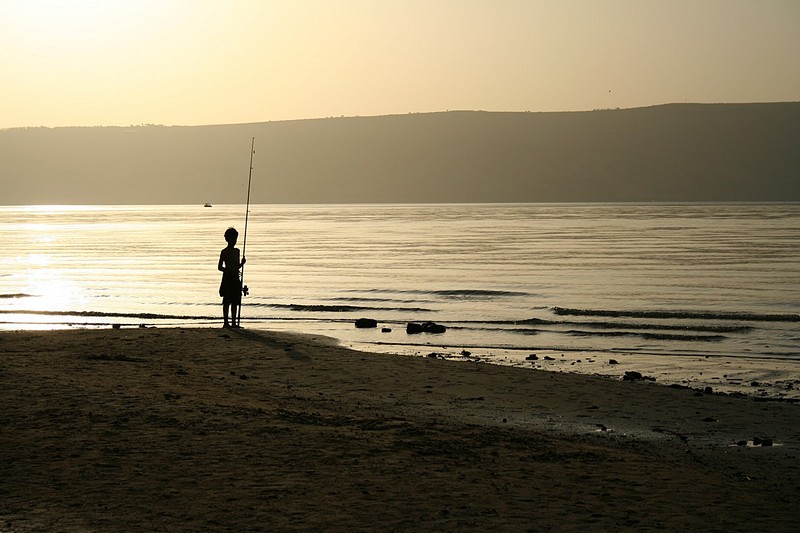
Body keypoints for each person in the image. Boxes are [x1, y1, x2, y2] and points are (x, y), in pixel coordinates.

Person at [218, 227, 246, 328]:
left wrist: (241, 264)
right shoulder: (224, 252)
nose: (234, 241)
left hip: (235, 278)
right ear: (227, 239)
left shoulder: (237, 251)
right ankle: (226, 322)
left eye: (235, 239)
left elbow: (236, 266)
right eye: (232, 239)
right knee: (226, 301)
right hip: (227, 278)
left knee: (235, 300)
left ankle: (234, 323)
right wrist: (228, 270)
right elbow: (219, 267)